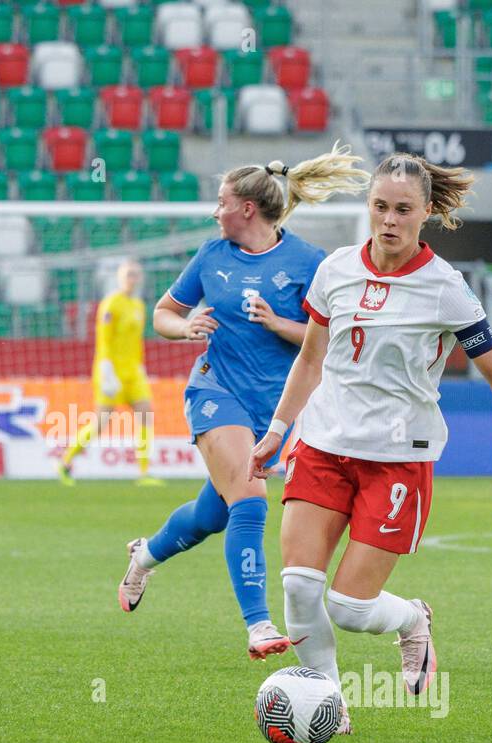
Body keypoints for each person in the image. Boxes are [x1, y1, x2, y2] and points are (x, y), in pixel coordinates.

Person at [249, 152, 492, 734]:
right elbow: (311, 357)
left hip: (398, 459)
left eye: (403, 209)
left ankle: (411, 619)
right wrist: (277, 430)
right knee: (301, 588)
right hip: (324, 444)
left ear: (426, 213)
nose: (389, 220)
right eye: (380, 206)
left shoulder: (445, 290)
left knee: (350, 608)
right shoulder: (335, 270)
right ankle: (329, 705)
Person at [117, 144, 372, 660]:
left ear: (247, 209)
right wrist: (184, 326)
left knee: (212, 514)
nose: (215, 211)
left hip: (272, 411)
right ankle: (258, 625)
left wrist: (279, 324)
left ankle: (144, 556)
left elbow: (332, 339)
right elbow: (163, 313)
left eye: (220, 201)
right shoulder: (211, 257)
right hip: (215, 392)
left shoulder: (309, 262)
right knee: (251, 502)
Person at [59, 260, 163, 486]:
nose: (132, 279)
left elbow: (135, 342)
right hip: (110, 370)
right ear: (119, 278)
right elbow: (103, 340)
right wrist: (106, 369)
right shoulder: (111, 304)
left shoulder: (138, 305)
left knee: (146, 413)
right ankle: (66, 461)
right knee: (101, 422)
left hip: (133, 371)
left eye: (135, 274)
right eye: (128, 275)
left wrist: (140, 366)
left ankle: (144, 473)